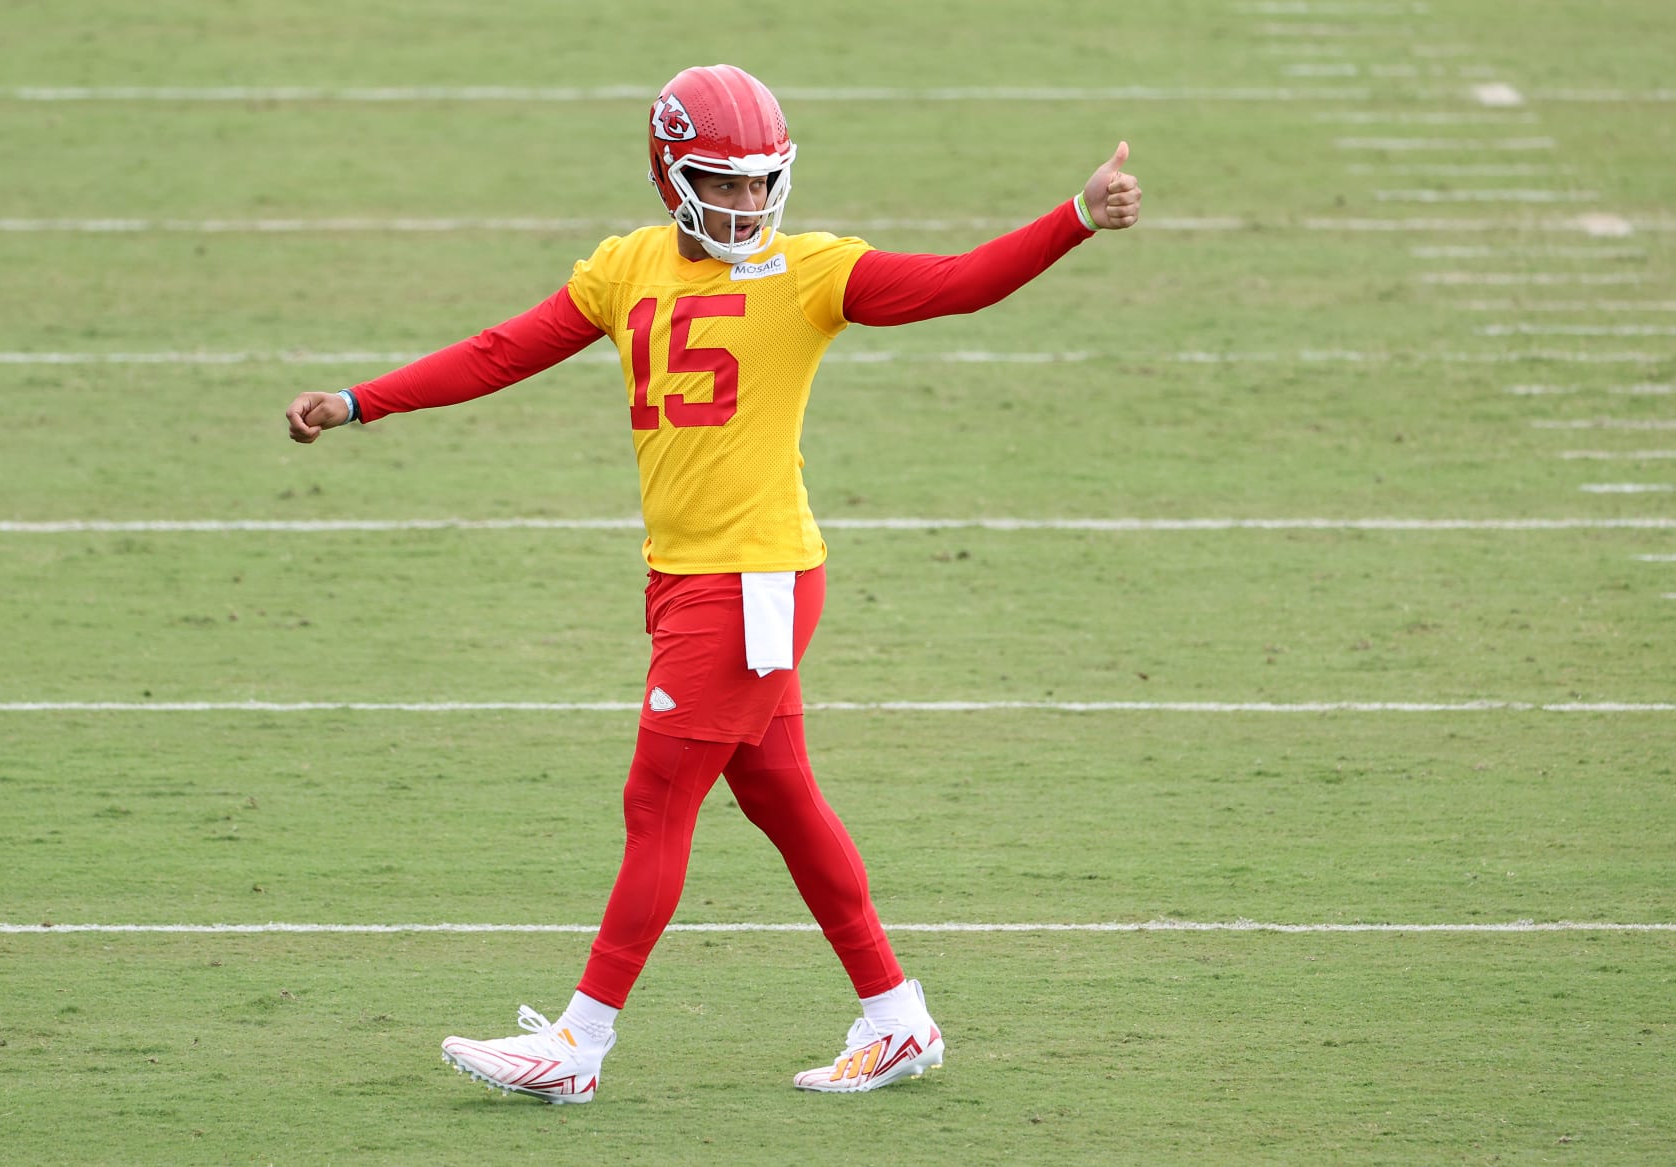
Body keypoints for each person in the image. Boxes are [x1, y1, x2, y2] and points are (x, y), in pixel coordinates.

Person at [285, 62, 1140, 1103]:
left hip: (749, 583)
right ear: (667, 173)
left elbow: (958, 283)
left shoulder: (813, 271)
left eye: (756, 181)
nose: (743, 203)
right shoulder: (627, 267)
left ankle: (578, 1045)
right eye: (719, 181)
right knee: (782, 798)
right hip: (693, 581)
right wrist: (363, 401)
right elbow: (507, 349)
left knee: (657, 800)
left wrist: (1076, 219)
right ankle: (897, 1018)